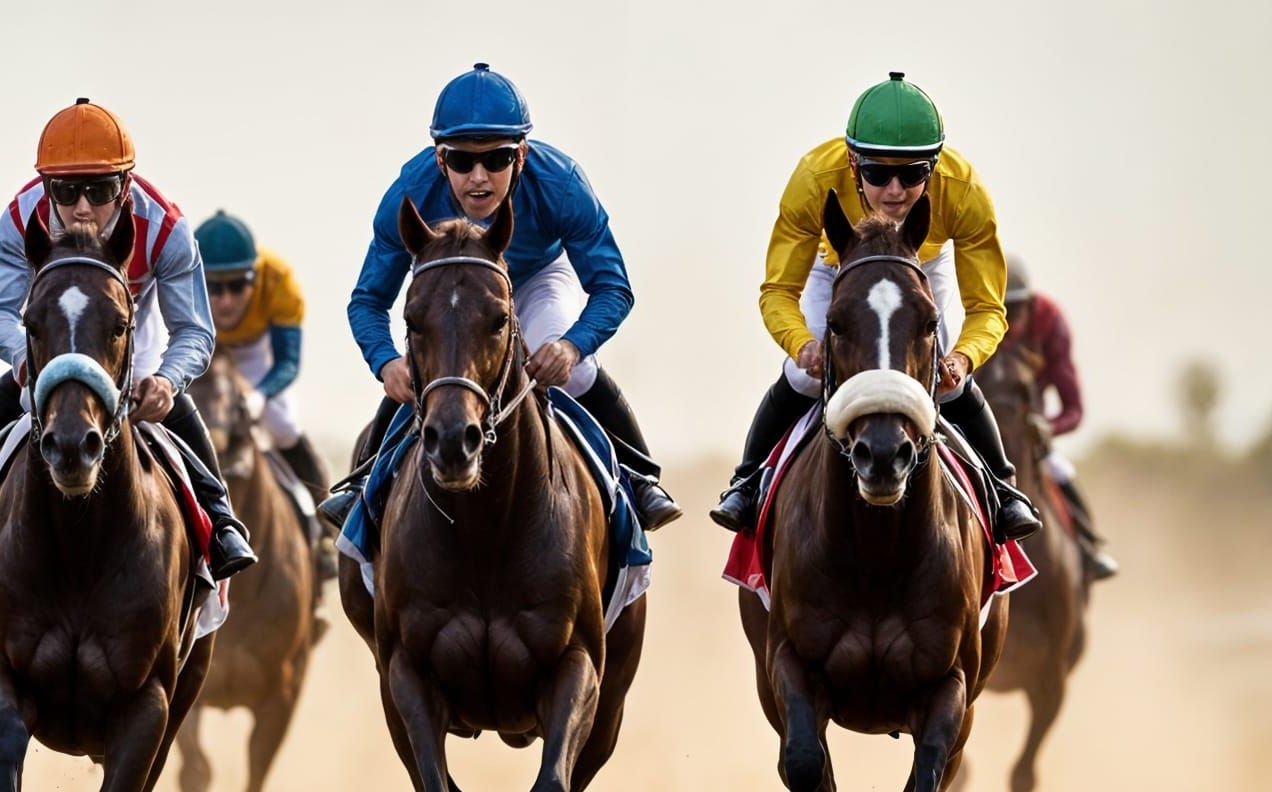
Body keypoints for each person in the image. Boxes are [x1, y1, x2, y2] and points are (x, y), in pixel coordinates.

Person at [325, 62, 680, 531]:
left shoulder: (563, 185)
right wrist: (386, 362)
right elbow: (368, 301)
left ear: (521, 156)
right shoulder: (408, 197)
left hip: (536, 277)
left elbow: (613, 287)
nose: (478, 177)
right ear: (439, 160)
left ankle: (638, 474)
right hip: (452, 284)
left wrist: (571, 346)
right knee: (428, 363)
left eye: (496, 159)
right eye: (461, 161)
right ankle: (363, 482)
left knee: (571, 367)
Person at [0, 98, 255, 579]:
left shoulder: (165, 227)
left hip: (128, 345)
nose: (82, 207)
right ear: (45, 186)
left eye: (100, 190)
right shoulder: (20, 219)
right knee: (7, 396)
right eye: (66, 190)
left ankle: (221, 521)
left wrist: (166, 380)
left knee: (174, 405)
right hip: (49, 351)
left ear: (125, 186)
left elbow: (194, 329)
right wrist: (22, 359)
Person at [710, 72, 1041, 543]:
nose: (895, 191)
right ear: (852, 161)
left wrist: (962, 358)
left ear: (935, 166)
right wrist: (802, 345)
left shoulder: (965, 191)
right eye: (877, 174)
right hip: (836, 262)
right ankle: (746, 483)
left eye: (913, 175)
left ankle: (1004, 489)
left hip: (920, 261)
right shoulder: (812, 179)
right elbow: (778, 290)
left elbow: (988, 307)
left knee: (942, 381)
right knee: (806, 378)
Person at [195, 209, 336, 579]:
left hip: (255, 352)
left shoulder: (279, 279)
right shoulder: (180, 276)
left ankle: (325, 525)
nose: (225, 300)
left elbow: (287, 362)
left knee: (282, 424)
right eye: (213, 288)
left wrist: (260, 395)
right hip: (199, 346)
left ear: (255, 277)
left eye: (237, 286)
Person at [1004, 258, 1119, 579]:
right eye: (1002, 311)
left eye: (1015, 310)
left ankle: (1089, 550)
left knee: (1060, 470)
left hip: (1030, 431)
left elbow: (1074, 410)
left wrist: (1047, 428)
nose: (1009, 321)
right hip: (979, 427)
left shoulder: (1050, 323)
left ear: (1030, 304)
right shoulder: (972, 316)